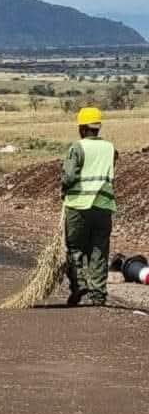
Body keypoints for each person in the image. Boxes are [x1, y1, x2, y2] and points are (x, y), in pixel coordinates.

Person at [63, 106, 118, 307]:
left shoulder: (77, 148)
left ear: (82, 128)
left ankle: (79, 285)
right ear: (97, 128)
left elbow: (69, 176)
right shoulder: (110, 148)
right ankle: (98, 295)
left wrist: (63, 189)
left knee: (75, 248)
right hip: (103, 206)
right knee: (99, 250)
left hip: (78, 206)